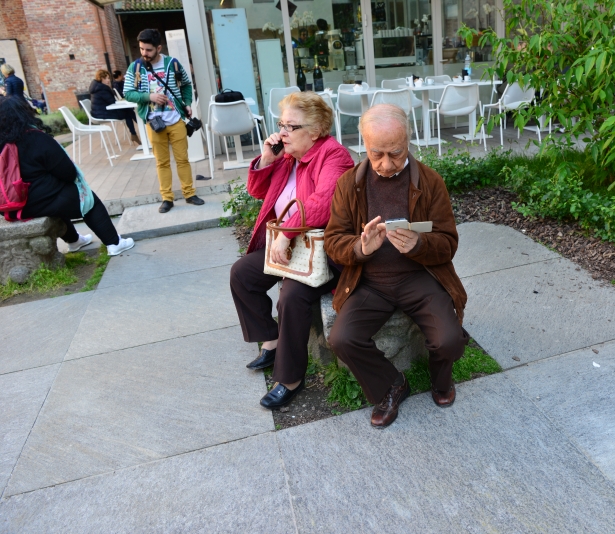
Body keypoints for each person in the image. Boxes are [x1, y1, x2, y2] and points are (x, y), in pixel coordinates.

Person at [324, 104, 469, 429]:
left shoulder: (430, 182)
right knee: (342, 339)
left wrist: (419, 245)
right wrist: (360, 248)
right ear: (364, 144)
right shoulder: (349, 184)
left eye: (396, 153)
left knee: (448, 340)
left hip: (420, 277)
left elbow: (448, 242)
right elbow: (333, 242)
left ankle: (439, 378)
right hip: (369, 282)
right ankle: (392, 384)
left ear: (408, 141)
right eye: (377, 154)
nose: (386, 164)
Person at [229, 92, 353, 409]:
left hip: (322, 252)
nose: (282, 133)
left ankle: (290, 379)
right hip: (291, 247)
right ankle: (271, 340)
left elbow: (323, 202)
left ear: (315, 130)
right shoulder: (287, 157)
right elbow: (258, 191)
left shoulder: (334, 156)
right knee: (242, 274)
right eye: (281, 124)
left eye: (290, 126)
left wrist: (286, 233)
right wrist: (266, 160)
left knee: (292, 296)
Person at [0, 96, 134, 256]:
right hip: (38, 200)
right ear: (24, 114)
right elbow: (68, 173)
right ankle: (114, 243)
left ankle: (74, 240)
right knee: (87, 199)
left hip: (12, 207)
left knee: (58, 198)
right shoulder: (35, 138)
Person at [123, 29, 204, 214]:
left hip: (175, 120)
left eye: (148, 50)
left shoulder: (172, 64)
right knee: (162, 162)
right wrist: (149, 96)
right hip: (154, 123)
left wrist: (187, 103)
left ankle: (189, 194)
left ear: (158, 48)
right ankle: (167, 198)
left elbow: (186, 84)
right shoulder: (135, 67)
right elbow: (128, 93)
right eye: (142, 49)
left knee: (183, 159)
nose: (144, 53)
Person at [89, 69, 141, 146]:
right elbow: (112, 101)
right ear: (101, 78)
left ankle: (135, 133)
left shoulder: (98, 87)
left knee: (128, 111)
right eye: (106, 78)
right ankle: (139, 131)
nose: (108, 80)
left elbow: (111, 101)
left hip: (101, 111)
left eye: (108, 78)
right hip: (101, 113)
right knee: (127, 113)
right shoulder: (101, 89)